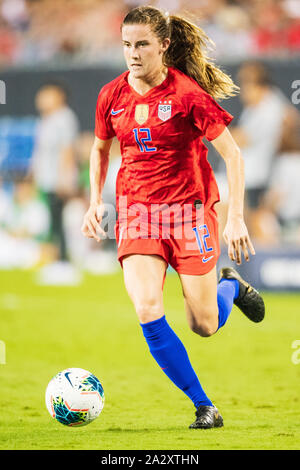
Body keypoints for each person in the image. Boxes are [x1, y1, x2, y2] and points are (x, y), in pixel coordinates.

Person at [81, 5, 265, 429]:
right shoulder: (111, 94)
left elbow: (233, 156)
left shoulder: (187, 96)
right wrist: (95, 201)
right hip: (138, 215)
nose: (133, 53)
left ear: (163, 45)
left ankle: (229, 289)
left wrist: (234, 217)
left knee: (203, 325)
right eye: (126, 44)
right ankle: (205, 406)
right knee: (147, 309)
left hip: (190, 215)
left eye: (142, 44)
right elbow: (98, 149)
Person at [31, 80, 79, 262]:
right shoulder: (46, 120)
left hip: (57, 180)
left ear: (59, 96)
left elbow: (67, 150)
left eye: (46, 94)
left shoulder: (63, 118)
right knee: (52, 221)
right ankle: (57, 258)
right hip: (47, 178)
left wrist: (65, 179)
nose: (41, 98)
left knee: (58, 221)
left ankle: (62, 260)